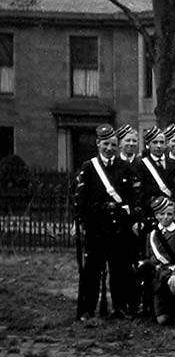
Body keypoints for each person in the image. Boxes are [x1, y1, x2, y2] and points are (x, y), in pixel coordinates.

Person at [75, 124, 139, 322]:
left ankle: (120, 307)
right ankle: (87, 309)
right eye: (105, 144)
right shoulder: (89, 167)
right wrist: (79, 222)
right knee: (92, 271)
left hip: (119, 228)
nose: (109, 148)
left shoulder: (125, 167)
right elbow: (81, 199)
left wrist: (133, 220)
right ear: (98, 144)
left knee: (119, 270)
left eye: (112, 144)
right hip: (97, 228)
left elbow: (133, 197)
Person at [140, 196, 175, 326]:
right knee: (162, 320)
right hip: (159, 274)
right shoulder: (152, 234)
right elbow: (151, 256)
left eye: (169, 214)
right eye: (161, 214)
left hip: (174, 272)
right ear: (156, 216)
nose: (165, 217)